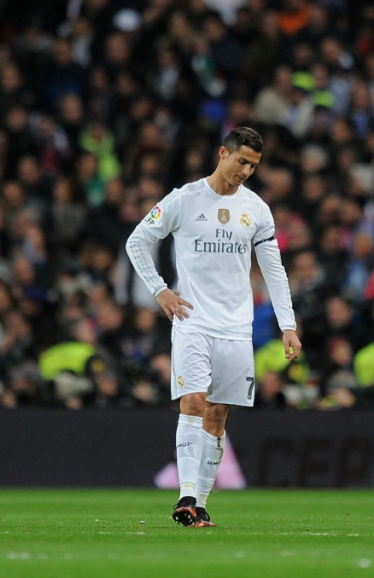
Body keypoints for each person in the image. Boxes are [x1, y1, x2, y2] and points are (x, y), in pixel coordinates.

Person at [125, 127, 301, 528]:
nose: (245, 171)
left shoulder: (256, 209)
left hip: (237, 329)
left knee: (218, 415)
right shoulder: (183, 200)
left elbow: (274, 270)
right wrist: (160, 291)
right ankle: (186, 495)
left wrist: (287, 325)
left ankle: (200, 504)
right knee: (193, 403)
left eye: (253, 166)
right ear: (223, 153)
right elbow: (137, 241)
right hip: (192, 321)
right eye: (241, 161)